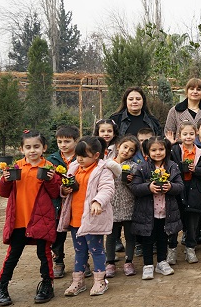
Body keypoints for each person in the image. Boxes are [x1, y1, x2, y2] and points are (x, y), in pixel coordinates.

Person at [0, 130, 62, 306]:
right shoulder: (15, 168)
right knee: (13, 255)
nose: (32, 151)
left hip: (41, 219)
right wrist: (5, 180)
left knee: (44, 253)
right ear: (21, 149)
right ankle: (2, 286)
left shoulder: (48, 167)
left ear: (44, 148)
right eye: (28, 147)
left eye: (36, 147)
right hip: (18, 219)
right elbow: (4, 193)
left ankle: (47, 285)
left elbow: (56, 193)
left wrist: (51, 179)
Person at [58, 136, 116, 297]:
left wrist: (98, 201)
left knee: (96, 249)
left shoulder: (103, 170)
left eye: (84, 156)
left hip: (93, 218)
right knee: (79, 250)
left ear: (96, 155)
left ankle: (100, 280)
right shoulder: (74, 168)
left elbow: (107, 189)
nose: (80, 159)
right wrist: (64, 190)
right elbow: (65, 187)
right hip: (75, 218)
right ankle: (78, 281)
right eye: (78, 155)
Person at [130, 136, 184, 280]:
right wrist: (149, 187)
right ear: (147, 152)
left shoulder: (172, 166)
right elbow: (134, 187)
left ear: (167, 150)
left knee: (162, 238)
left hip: (166, 212)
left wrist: (171, 187)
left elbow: (180, 186)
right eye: (153, 150)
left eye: (161, 149)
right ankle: (148, 265)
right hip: (147, 212)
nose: (158, 153)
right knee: (147, 238)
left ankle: (161, 262)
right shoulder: (142, 167)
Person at [170, 121, 201, 264]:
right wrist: (179, 168)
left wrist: (196, 170)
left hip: (194, 188)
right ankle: (172, 249)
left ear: (196, 134)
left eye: (191, 134)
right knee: (174, 219)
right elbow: (168, 166)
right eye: (185, 134)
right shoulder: (174, 150)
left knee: (193, 220)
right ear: (179, 135)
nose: (188, 137)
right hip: (177, 188)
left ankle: (190, 248)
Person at [105, 135, 139, 278]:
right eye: (125, 147)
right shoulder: (106, 164)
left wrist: (131, 182)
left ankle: (129, 261)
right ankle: (110, 262)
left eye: (131, 150)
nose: (127, 151)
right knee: (111, 236)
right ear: (118, 146)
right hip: (111, 205)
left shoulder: (134, 167)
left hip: (128, 204)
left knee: (130, 235)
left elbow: (137, 188)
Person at [48, 125, 79, 280]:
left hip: (78, 199)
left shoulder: (82, 157)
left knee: (79, 232)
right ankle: (58, 261)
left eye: (67, 141)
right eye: (60, 142)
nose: (63, 145)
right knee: (58, 233)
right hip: (58, 202)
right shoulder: (51, 160)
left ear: (76, 141)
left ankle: (82, 261)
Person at [165, 78, 201, 143]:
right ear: (187, 91)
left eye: (198, 89)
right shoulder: (175, 111)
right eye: (192, 89)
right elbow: (168, 134)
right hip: (180, 150)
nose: (195, 92)